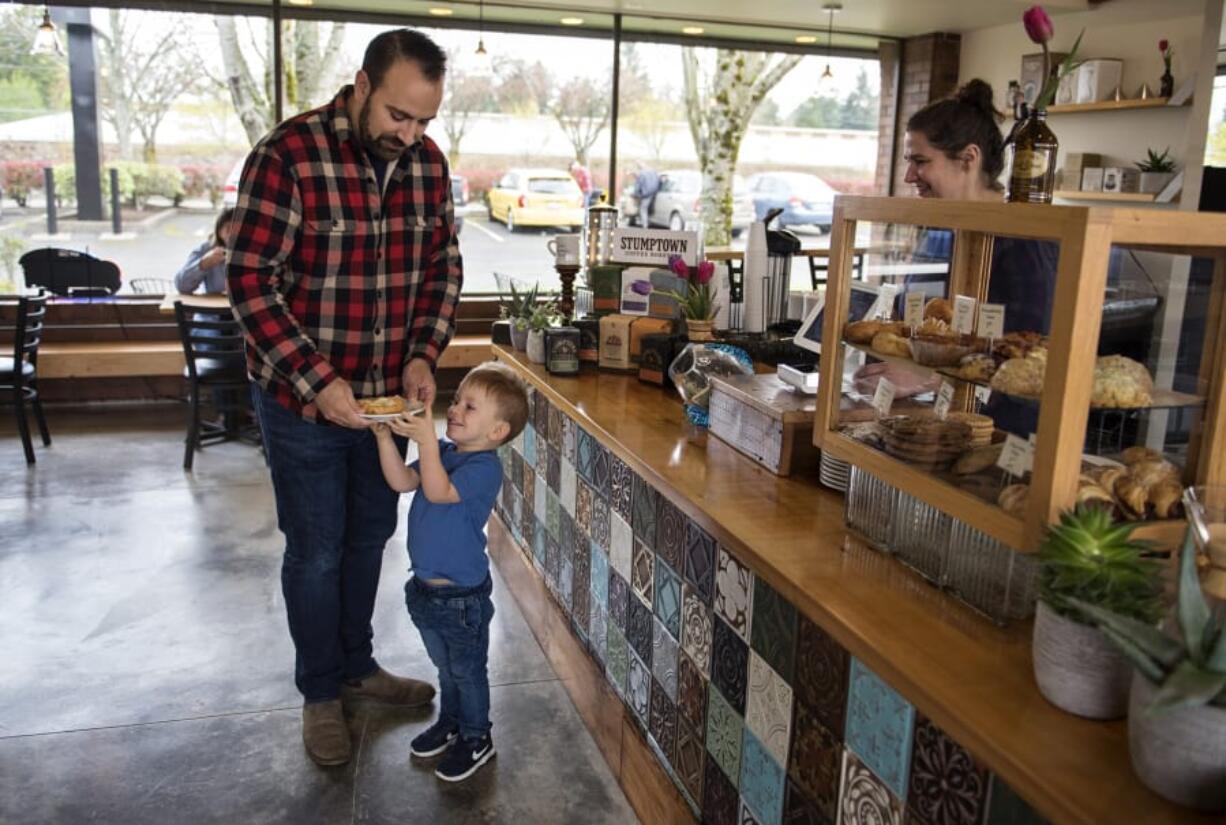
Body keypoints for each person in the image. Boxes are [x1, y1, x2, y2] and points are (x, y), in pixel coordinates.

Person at [226, 28, 463, 767]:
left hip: (387, 405)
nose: (411, 134)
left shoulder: (426, 165)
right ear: (361, 85)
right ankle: (320, 691)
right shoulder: (288, 155)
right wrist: (316, 380)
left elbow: (443, 270)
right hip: (303, 404)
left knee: (369, 540)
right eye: (398, 115)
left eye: (425, 120)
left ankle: (358, 666)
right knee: (318, 550)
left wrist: (425, 352)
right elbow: (250, 282)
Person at [856, 79, 1059, 434]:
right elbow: (917, 322)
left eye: (920, 161)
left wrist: (926, 378)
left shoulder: (1024, 240)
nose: (908, 176)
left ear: (968, 158)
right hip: (938, 418)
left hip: (1004, 429)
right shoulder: (938, 229)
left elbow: (1030, 353)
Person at [372, 362, 528, 782]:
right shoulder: (442, 451)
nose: (455, 409)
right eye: (457, 399)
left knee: (468, 671)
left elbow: (438, 492)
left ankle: (478, 737)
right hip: (424, 589)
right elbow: (404, 482)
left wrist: (424, 440)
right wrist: (385, 437)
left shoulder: (484, 468)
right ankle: (453, 721)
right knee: (446, 669)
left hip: (462, 598)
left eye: (470, 406)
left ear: (497, 432)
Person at [175, 208, 235, 294]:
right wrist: (203, 264)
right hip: (216, 306)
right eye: (229, 229)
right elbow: (182, 287)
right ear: (219, 232)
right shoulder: (206, 250)